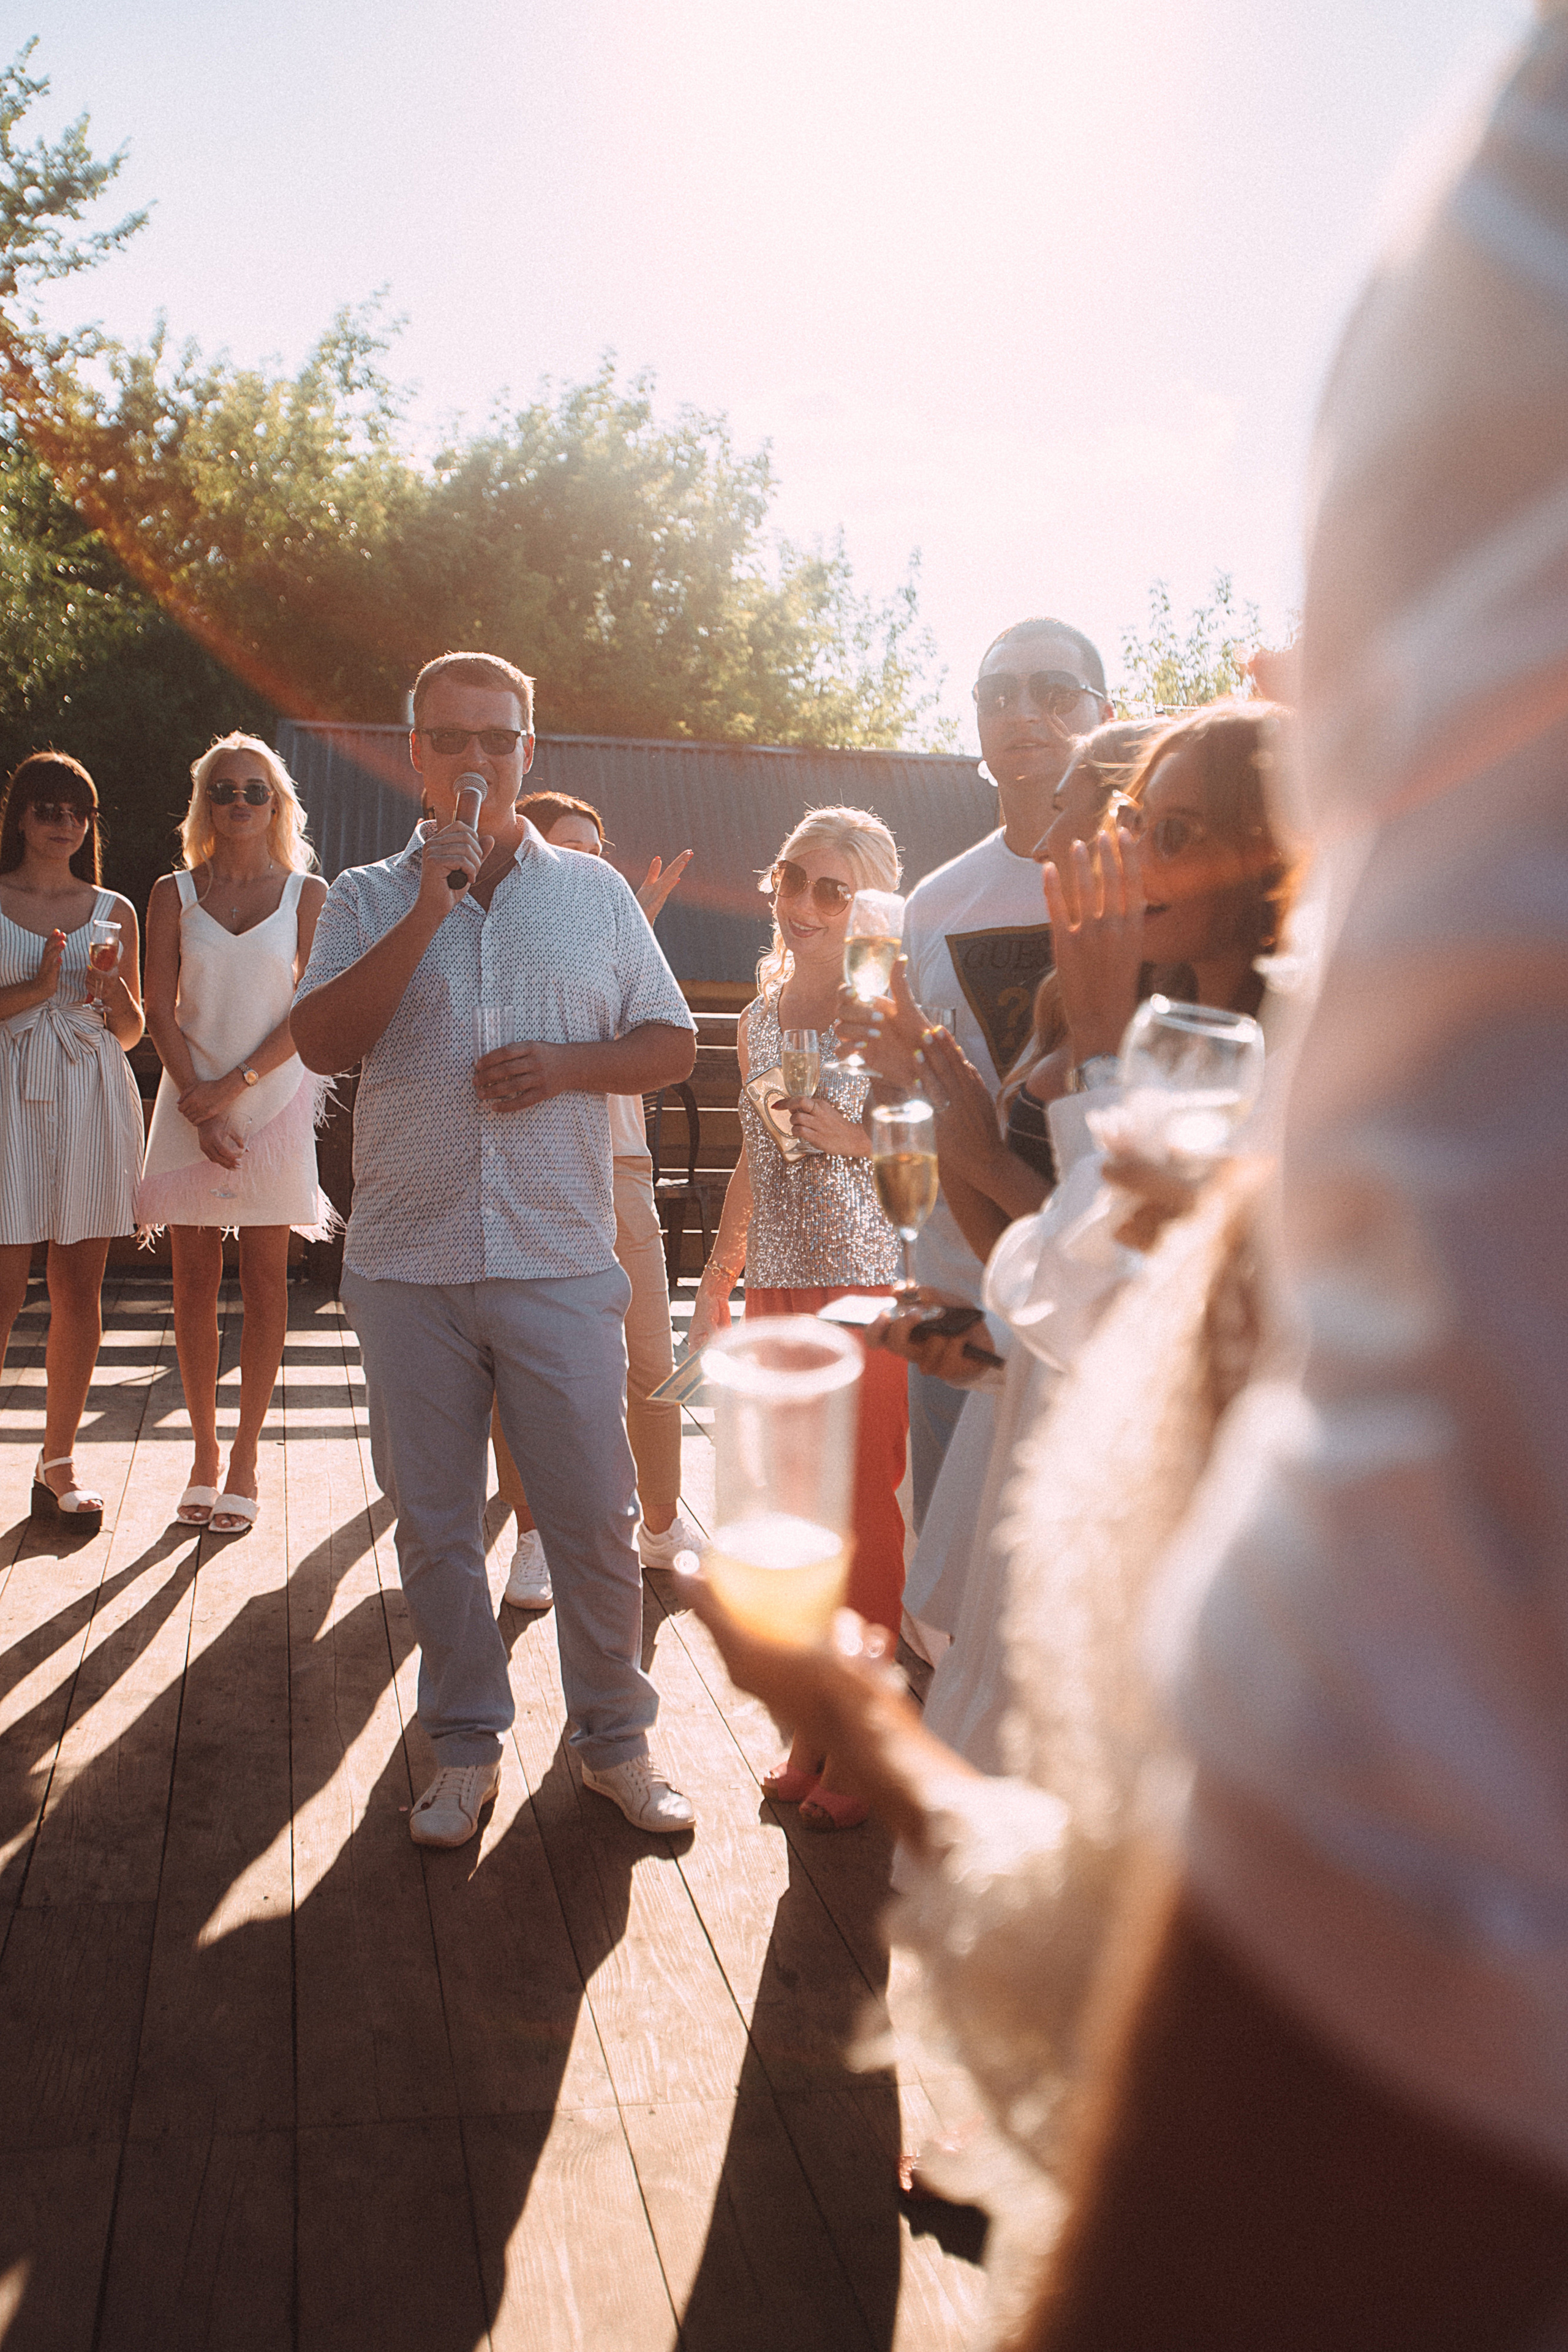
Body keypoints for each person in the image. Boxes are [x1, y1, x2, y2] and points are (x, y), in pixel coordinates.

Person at [704, 18, 1568, 2342]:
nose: (1114, 856)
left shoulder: (1368, 1149)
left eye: (1170, 835)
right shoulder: (1088, 962)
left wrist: (1057, 1093)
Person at [291, 650, 698, 1850]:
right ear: (415, 754)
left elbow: (671, 1042)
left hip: (562, 1254)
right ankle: (463, 1750)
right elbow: (318, 1041)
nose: (477, 760)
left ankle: (615, 1745)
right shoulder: (368, 893)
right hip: (407, 1264)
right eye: (451, 739)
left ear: (529, 750)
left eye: (499, 738)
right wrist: (430, 904)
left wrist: (570, 1067)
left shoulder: (599, 896)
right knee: (434, 1526)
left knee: (589, 1519)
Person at [685, 806, 909, 1830]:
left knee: (863, 1518)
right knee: (793, 1517)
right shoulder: (758, 1018)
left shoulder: (894, 1009)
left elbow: (938, 1162)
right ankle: (813, 1726)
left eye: (834, 888)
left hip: (868, 1288)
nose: (808, 905)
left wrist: (862, 1141)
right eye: (793, 880)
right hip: (778, 1282)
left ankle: (865, 1735)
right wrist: (717, 1283)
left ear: (869, 901)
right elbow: (753, 1159)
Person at [900, 619, 1112, 1529]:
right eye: (997, 693)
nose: (1022, 711)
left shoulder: (1149, 883)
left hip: (1101, 1288)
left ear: (1107, 711)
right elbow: (917, 1094)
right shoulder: (935, 901)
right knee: (948, 1611)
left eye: (1052, 689)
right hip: (959, 1286)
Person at [484, 788, 698, 1607]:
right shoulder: (499, 934)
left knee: (650, 1359)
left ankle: (664, 1524)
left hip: (619, 1167)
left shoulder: (618, 929)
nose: (582, 863)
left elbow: (657, 1038)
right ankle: (535, 1537)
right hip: (529, 1172)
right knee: (518, 1369)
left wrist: (635, 919)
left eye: (593, 850)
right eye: (563, 846)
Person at [137, 734, 334, 1532]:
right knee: (190, 1283)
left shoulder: (306, 895)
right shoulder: (171, 892)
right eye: (226, 791)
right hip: (189, 1105)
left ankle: (247, 1457)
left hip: (273, 1104)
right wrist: (201, 1102)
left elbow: (311, 1013)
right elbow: (157, 1007)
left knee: (263, 1285)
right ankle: (203, 1452)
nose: (240, 805)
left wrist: (236, 1092)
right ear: (205, 803)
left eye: (256, 792)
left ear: (278, 805)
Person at [0, 752, 145, 1533]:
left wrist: (114, 994)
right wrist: (37, 984)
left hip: (90, 1092)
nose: (64, 825)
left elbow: (129, 1033)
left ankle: (57, 1463)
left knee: (78, 1289)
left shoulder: (114, 907)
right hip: (7, 1094)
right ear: (20, 816)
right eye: (49, 810)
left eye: (79, 812)